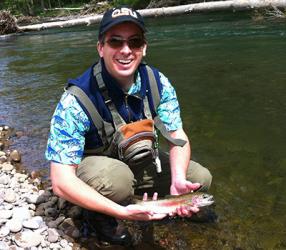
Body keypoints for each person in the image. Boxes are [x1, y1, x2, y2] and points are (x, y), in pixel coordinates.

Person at [45, 6, 212, 246]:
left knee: (200, 178)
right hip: (98, 172)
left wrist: (177, 180)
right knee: (118, 181)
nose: (126, 50)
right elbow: (60, 181)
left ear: (143, 48)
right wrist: (121, 212)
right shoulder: (77, 99)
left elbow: (178, 136)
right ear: (101, 48)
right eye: (115, 41)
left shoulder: (158, 83)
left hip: (139, 160)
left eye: (134, 42)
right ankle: (101, 213)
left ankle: (156, 205)